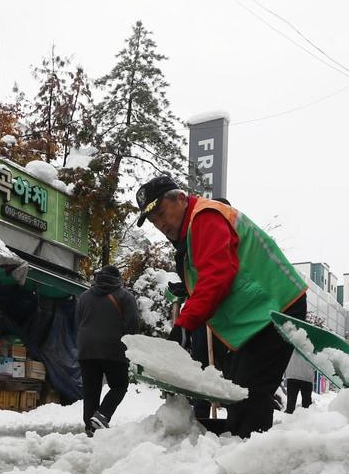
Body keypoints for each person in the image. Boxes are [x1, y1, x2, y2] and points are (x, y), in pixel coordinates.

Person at [136, 176, 309, 439]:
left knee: (250, 394)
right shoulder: (192, 232)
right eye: (154, 221)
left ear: (181, 199)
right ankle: (241, 446)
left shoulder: (205, 216)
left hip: (276, 308)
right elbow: (213, 271)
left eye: (161, 213)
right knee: (238, 393)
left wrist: (185, 324)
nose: (160, 224)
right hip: (256, 317)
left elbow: (217, 276)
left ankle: (250, 460)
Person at [75, 264, 140, 435]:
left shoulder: (84, 297)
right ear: (118, 279)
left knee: (91, 390)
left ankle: (90, 427)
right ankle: (102, 415)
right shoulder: (125, 297)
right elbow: (132, 325)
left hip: (86, 350)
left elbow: (78, 322)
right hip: (114, 349)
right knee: (119, 385)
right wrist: (129, 346)